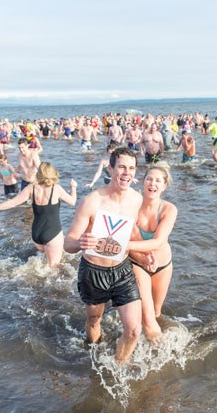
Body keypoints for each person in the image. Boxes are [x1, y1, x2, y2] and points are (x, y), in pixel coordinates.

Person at [64, 147, 143, 364]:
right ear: (111, 168)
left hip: (122, 270)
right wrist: (80, 242)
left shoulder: (136, 199)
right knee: (93, 319)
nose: (127, 173)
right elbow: (67, 243)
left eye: (131, 168)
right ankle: (94, 356)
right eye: (122, 167)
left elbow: (132, 232)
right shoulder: (92, 201)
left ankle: (117, 369)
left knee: (134, 330)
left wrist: (144, 255)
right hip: (94, 272)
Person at [0, 162, 77, 268]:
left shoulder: (31, 188)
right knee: (53, 269)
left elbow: (12, 203)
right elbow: (72, 202)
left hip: (36, 234)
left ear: (39, 174)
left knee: (43, 260)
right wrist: (73, 187)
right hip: (52, 233)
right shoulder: (56, 188)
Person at [127, 162, 177, 342]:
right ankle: (152, 348)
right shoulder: (132, 206)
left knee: (156, 312)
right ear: (143, 182)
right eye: (149, 179)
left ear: (164, 186)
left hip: (163, 265)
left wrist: (125, 245)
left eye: (157, 181)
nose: (152, 183)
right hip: (138, 263)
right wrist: (139, 255)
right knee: (147, 316)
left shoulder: (168, 209)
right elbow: (131, 238)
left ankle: (145, 343)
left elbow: (158, 242)